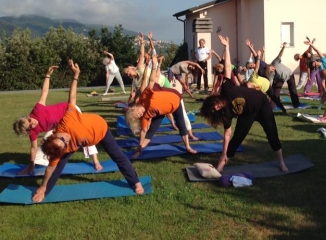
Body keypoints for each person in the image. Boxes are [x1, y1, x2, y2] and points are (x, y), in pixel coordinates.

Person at [31, 60, 144, 203]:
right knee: (58, 166)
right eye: (65, 143)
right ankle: (46, 191)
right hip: (83, 140)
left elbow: (72, 97)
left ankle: (135, 182)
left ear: (54, 135)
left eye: (62, 138)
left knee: (118, 156)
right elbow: (50, 169)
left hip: (101, 129)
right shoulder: (59, 148)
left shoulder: (66, 121)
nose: (66, 138)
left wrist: (76, 76)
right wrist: (42, 188)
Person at [199, 35, 288, 173]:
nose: (216, 107)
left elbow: (228, 67)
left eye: (214, 105)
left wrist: (226, 47)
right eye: (214, 110)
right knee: (237, 138)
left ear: (214, 100)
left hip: (262, 104)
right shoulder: (225, 114)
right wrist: (223, 152)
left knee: (272, 133)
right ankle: (222, 163)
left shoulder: (226, 89)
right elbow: (227, 134)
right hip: (247, 114)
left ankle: (281, 163)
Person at [12, 65, 102, 175]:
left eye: (30, 121)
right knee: (47, 145)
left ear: (28, 117)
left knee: (82, 135)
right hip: (59, 125)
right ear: (28, 131)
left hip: (70, 111)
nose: (33, 123)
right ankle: (46, 164)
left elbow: (44, 92)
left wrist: (48, 75)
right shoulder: (33, 132)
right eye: (29, 126)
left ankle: (96, 160)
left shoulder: (37, 110)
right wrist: (31, 165)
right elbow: (33, 149)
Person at [126, 54, 197, 158]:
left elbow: (151, 81)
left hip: (175, 100)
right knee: (152, 130)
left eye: (137, 113)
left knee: (181, 124)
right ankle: (140, 150)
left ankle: (188, 147)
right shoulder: (145, 116)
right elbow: (144, 131)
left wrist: (155, 65)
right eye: (138, 117)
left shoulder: (144, 97)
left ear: (134, 107)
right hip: (161, 111)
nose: (140, 114)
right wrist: (138, 150)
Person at [247, 49, 288, 114]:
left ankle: (285, 111)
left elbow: (257, 63)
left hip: (267, 85)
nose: (252, 66)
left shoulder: (253, 76)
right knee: (261, 101)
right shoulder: (250, 88)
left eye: (252, 65)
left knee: (274, 98)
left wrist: (259, 55)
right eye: (251, 66)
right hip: (263, 89)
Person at [265, 42, 301, 108]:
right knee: (276, 92)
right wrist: (269, 92)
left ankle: (296, 104)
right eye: (271, 71)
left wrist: (283, 47)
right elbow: (270, 83)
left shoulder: (274, 62)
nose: (273, 69)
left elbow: (280, 55)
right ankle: (273, 105)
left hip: (290, 74)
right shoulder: (271, 74)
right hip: (280, 79)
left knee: (293, 89)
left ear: (270, 65)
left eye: (271, 68)